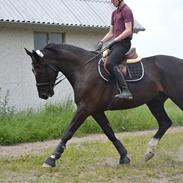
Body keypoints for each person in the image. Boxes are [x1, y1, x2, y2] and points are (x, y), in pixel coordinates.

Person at [96, 0, 134, 100]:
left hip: (124, 44)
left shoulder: (126, 10)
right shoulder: (114, 13)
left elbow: (128, 30)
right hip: (116, 44)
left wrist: (115, 41)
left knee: (110, 63)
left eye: (113, 0)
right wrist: (101, 42)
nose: (112, 2)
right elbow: (111, 33)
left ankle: (126, 91)